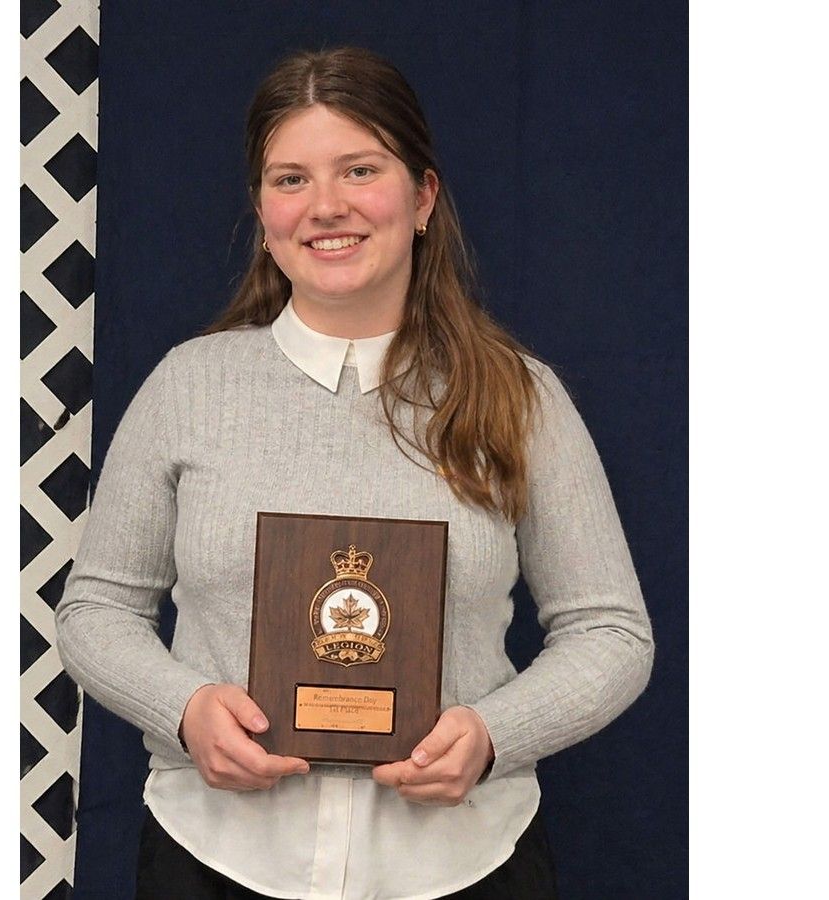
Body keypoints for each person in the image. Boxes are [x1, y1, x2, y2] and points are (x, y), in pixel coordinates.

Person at [56, 46, 653, 900]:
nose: (325, 206)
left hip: (465, 867)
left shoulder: (521, 397)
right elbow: (96, 609)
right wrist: (184, 713)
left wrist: (493, 733)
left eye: (359, 170)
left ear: (422, 197)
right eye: (290, 178)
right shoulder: (188, 386)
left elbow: (612, 631)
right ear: (262, 211)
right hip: (212, 860)